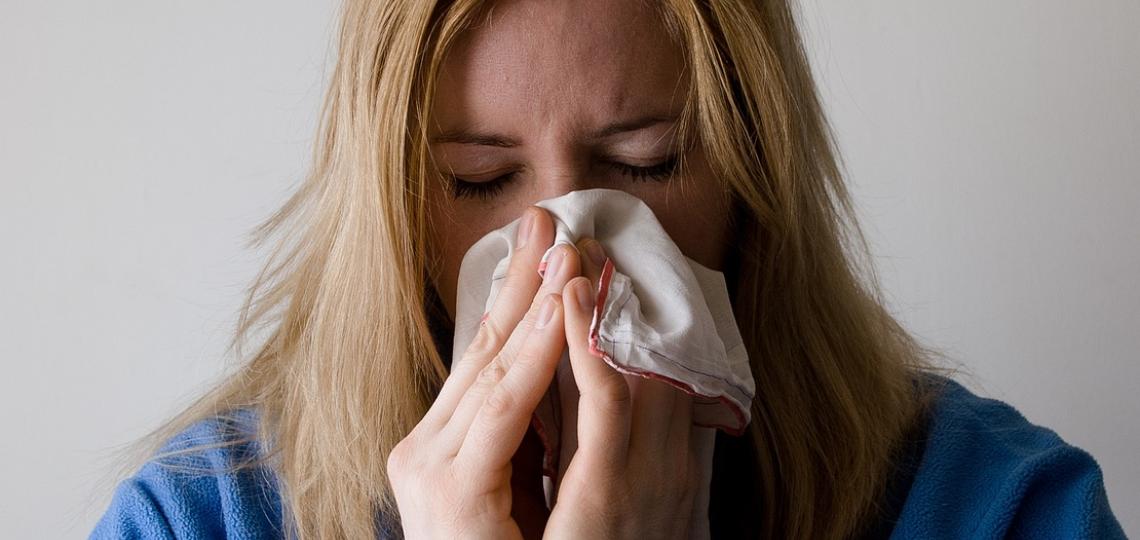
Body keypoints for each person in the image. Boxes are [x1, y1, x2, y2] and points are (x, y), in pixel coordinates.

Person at [91, 0, 1126, 538]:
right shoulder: (199, 521)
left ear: (752, 170)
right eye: (477, 179)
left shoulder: (1000, 510)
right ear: (395, 206)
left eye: (645, 164)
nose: (567, 255)